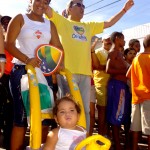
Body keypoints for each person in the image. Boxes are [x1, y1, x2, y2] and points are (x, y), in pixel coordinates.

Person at [45, 0, 134, 131]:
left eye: (83, 5)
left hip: (86, 75)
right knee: (66, 110)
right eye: (78, 5)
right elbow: (45, 7)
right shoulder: (61, 21)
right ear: (68, 9)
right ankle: (67, 141)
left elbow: (109, 23)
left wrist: (124, 10)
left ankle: (83, 141)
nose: (82, 8)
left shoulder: (89, 26)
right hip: (67, 74)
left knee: (85, 111)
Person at [5, 0, 63, 149]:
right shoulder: (20, 18)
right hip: (22, 71)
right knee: (21, 118)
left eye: (46, 2)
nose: (41, 4)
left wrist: (59, 63)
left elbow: (58, 47)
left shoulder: (50, 24)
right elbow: (9, 44)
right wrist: (27, 60)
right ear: (31, 1)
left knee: (45, 118)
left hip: (44, 74)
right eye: (38, 0)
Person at [106, 32, 131, 150]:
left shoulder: (118, 53)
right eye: (123, 39)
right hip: (117, 86)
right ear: (117, 39)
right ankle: (118, 145)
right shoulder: (113, 52)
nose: (124, 41)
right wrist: (124, 72)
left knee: (120, 115)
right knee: (117, 114)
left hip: (122, 86)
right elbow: (108, 69)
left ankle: (119, 143)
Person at [126, 34, 150, 150]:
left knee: (135, 128)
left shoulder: (136, 59)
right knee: (149, 130)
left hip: (136, 98)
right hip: (148, 97)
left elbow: (127, 75)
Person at [93, 34, 112, 137]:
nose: (109, 42)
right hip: (101, 83)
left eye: (110, 40)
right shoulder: (98, 52)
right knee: (102, 109)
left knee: (108, 109)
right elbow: (97, 66)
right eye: (107, 40)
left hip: (111, 84)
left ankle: (106, 133)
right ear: (102, 41)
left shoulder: (114, 53)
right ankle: (101, 134)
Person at [0, 15, 14, 150]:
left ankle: (8, 141)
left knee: (11, 110)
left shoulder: (15, 39)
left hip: (13, 76)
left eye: (8, 22)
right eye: (3, 22)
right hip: (2, 76)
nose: (5, 24)